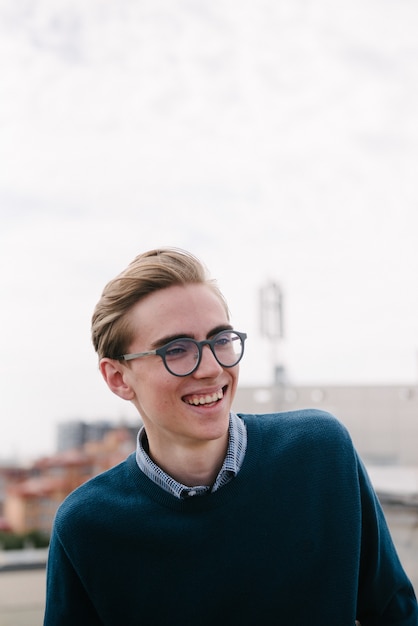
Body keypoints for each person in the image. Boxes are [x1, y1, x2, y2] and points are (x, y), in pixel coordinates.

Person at [44, 247, 418, 626]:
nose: (211, 368)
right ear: (118, 378)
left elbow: (394, 612)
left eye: (220, 340)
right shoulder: (86, 527)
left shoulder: (320, 453)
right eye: (177, 349)